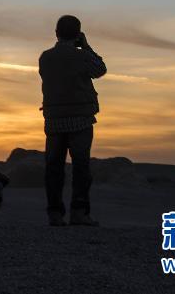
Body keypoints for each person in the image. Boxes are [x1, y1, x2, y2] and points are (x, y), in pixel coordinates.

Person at [38, 15, 106, 227]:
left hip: (54, 120)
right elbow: (100, 69)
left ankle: (55, 214)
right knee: (81, 167)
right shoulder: (82, 57)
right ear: (78, 34)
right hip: (80, 120)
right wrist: (86, 46)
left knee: (54, 169)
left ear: (56, 33)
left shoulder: (45, 58)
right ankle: (79, 212)